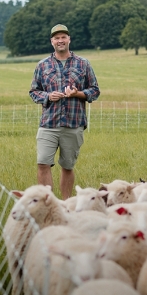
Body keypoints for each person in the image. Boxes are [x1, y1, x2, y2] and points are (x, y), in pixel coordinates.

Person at [29, 24, 100, 199]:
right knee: (42, 163)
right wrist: (47, 96)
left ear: (69, 39)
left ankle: (67, 205)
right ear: (52, 41)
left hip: (73, 123)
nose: (60, 40)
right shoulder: (42, 65)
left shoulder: (83, 64)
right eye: (56, 38)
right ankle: (47, 204)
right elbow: (34, 91)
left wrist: (78, 94)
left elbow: (95, 90)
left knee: (67, 166)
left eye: (63, 37)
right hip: (49, 123)